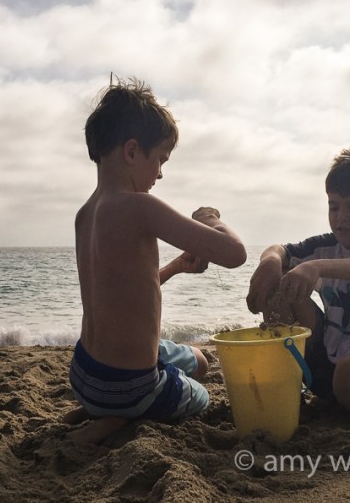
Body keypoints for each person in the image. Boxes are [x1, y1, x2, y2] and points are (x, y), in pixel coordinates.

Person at [64, 77, 247, 443]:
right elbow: (234, 253)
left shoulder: (85, 214)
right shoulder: (140, 208)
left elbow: (116, 294)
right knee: (201, 395)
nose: (161, 173)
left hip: (84, 375)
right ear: (132, 151)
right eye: (160, 160)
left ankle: (99, 408)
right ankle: (117, 417)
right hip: (128, 387)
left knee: (199, 361)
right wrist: (209, 217)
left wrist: (176, 267)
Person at [246, 147, 350, 418]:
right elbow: (280, 249)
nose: (341, 217)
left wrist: (316, 268)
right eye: (334, 206)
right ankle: (289, 383)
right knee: (279, 287)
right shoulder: (324, 246)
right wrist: (270, 261)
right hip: (324, 359)